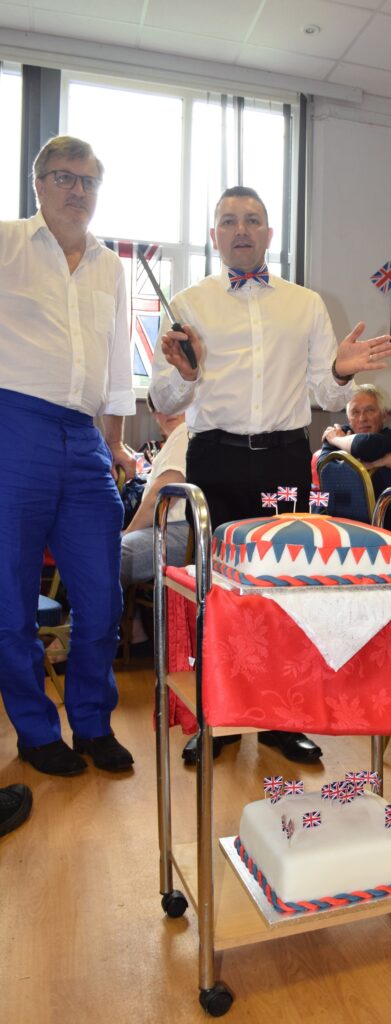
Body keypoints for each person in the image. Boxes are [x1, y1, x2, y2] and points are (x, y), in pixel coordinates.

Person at [151, 185, 391, 764]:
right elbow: (162, 397)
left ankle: (282, 721)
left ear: (268, 233)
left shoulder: (305, 304)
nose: (241, 229)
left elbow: (325, 395)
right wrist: (186, 374)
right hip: (214, 458)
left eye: (252, 219)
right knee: (218, 593)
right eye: (229, 220)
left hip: (285, 458)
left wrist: (340, 371)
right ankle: (218, 719)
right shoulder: (186, 303)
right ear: (214, 235)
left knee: (285, 590)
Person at [0, 135, 136, 777]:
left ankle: (91, 722)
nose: (77, 190)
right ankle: (34, 731)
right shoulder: (6, 243)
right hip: (13, 428)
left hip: (85, 440)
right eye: (64, 177)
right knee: (11, 602)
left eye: (87, 181)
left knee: (101, 600)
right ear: (38, 184)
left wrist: (114, 441)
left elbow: (116, 368)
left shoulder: (111, 266)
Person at [120, 394, 189, 590]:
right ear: (154, 415)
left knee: (108, 556)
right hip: (172, 528)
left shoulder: (185, 432)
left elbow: (162, 497)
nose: (169, 412)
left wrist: (128, 533)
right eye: (160, 407)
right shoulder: (177, 440)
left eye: (176, 405)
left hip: (180, 530)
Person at [319, 383, 391, 528]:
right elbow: (325, 471)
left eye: (370, 410)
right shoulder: (339, 432)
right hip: (336, 524)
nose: (362, 418)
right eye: (355, 412)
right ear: (348, 418)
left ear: (384, 415)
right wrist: (379, 462)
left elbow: (365, 445)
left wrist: (336, 440)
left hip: (381, 527)